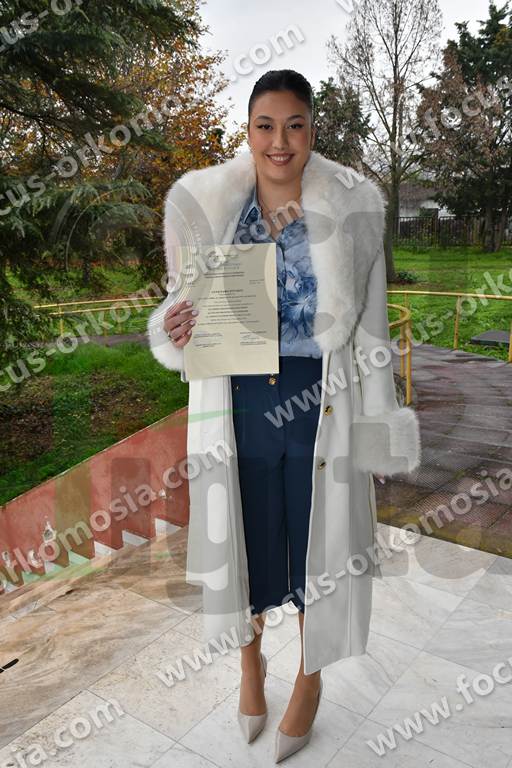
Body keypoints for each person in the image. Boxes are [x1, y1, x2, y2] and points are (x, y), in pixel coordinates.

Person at [148, 69, 421, 763]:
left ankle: (309, 676)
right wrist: (173, 329)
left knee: (314, 550)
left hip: (318, 401)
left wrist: (377, 427)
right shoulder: (205, 205)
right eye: (265, 125)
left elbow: (371, 333)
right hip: (236, 402)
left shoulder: (354, 208)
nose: (280, 141)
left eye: (294, 125)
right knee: (245, 543)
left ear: (312, 130)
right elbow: (184, 309)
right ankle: (250, 666)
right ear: (248, 132)